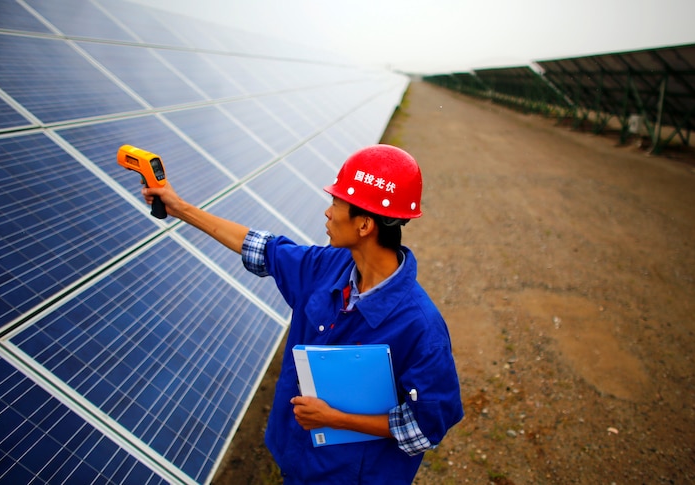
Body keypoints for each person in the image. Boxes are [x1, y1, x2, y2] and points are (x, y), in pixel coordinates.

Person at [143, 144, 463, 484]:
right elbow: (263, 249)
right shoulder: (331, 266)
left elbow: (425, 428)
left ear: (365, 225)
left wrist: (337, 418)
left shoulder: (420, 327)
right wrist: (180, 208)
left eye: (336, 203)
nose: (327, 212)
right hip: (296, 459)